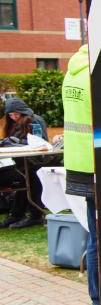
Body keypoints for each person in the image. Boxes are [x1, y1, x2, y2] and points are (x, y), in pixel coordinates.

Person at [61, 45, 101, 305]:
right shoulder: (95, 73)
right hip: (98, 165)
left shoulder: (72, 71)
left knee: (95, 236)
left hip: (79, 165)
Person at [0, 97, 49, 229]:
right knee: (22, 179)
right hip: (23, 163)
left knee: (29, 177)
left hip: (36, 163)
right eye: (10, 115)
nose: (14, 117)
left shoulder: (35, 120)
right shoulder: (14, 124)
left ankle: (31, 215)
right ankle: (17, 214)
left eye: (16, 114)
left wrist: (15, 142)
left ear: (23, 111)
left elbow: (41, 142)